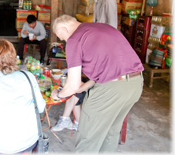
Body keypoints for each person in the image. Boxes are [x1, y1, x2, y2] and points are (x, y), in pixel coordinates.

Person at [51, 15, 143, 153]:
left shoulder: (74, 38)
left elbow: (72, 85)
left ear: (64, 28)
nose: (63, 41)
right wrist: (85, 86)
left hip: (110, 91)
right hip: (135, 84)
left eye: (61, 37)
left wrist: (58, 95)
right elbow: (109, 66)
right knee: (111, 132)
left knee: (88, 137)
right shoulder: (103, 27)